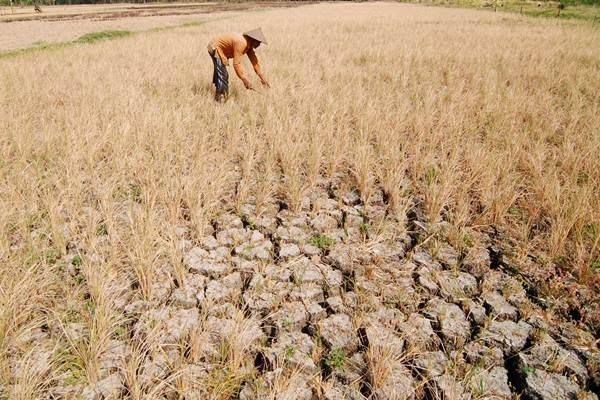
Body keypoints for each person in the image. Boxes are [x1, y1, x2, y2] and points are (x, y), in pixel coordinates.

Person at [207, 28, 270, 102]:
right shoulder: (241, 43)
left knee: (221, 72)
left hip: (221, 49)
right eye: (258, 42)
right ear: (253, 39)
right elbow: (236, 64)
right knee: (223, 74)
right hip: (215, 47)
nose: (259, 44)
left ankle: (219, 96)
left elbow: (255, 62)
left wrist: (263, 79)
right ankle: (221, 98)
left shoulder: (249, 46)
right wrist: (245, 80)